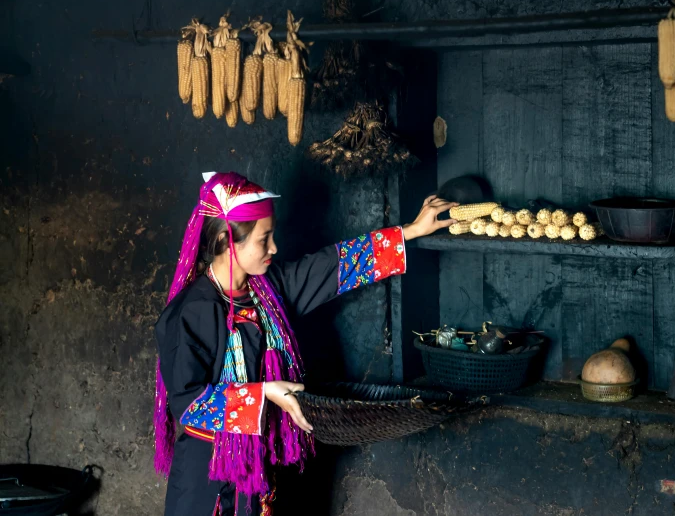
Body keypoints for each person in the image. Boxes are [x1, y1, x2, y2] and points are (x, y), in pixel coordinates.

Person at [154, 171, 457, 516]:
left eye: (273, 235)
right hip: (206, 477)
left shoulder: (268, 289)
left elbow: (335, 266)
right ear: (227, 241)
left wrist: (412, 230)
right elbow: (189, 403)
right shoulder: (191, 313)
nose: (274, 248)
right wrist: (265, 393)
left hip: (260, 469)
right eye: (263, 238)